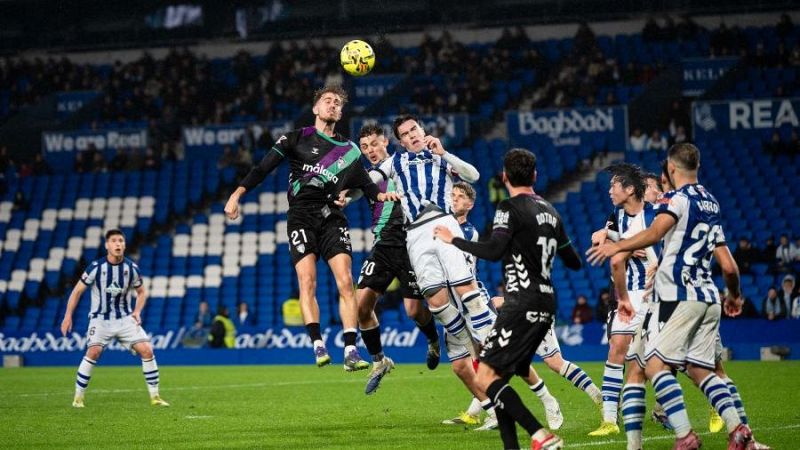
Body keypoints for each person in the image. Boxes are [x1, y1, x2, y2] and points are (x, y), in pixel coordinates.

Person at [587, 143, 756, 449]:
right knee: (698, 368)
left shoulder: (675, 202)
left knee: (650, 367)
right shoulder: (711, 203)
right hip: (708, 296)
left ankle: (684, 435)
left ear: (672, 169)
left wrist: (617, 246)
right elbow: (729, 265)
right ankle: (740, 431)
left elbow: (653, 234)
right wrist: (734, 295)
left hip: (673, 296)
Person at [224, 85, 400, 370]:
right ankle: (318, 344)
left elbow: (368, 188)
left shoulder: (351, 151)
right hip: (301, 216)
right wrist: (236, 195)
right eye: (327, 101)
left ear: (340, 113)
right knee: (308, 281)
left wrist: (383, 195)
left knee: (346, 281)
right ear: (316, 108)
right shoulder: (296, 138)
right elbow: (262, 168)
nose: (332, 105)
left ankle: (351, 351)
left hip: (332, 217)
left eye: (337, 103)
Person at [434, 148, 583, 449]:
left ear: (504, 177)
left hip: (521, 302)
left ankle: (541, 435)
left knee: (486, 377)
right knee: (499, 375)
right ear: (535, 176)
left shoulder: (508, 207)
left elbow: (493, 251)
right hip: (546, 303)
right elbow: (574, 262)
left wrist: (454, 240)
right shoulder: (551, 211)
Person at [375, 114, 494, 364]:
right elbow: (371, 180)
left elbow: (473, 175)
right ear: (402, 142)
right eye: (405, 135)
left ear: (422, 129)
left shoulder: (439, 155)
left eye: (414, 129)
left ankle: (489, 340)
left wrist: (445, 153)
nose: (412, 135)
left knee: (466, 289)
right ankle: (467, 342)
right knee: (436, 301)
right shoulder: (395, 161)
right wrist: (348, 193)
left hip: (444, 223)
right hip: (415, 233)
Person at [345, 124, 440, 394]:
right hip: (383, 244)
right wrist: (342, 196)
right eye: (364, 148)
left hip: (410, 242)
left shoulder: (404, 162)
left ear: (386, 141)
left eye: (374, 144)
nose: (370, 151)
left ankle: (433, 340)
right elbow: (354, 191)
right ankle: (379, 361)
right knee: (361, 307)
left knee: (414, 311)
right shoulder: (367, 177)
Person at [60, 229, 169, 408]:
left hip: (125, 319)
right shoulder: (96, 267)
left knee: (147, 350)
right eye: (113, 241)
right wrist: (67, 316)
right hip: (100, 319)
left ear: (124, 245)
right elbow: (77, 291)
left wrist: (137, 311)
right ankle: (78, 398)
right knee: (93, 352)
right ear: (107, 245)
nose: (118, 244)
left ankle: (155, 397)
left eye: (120, 241)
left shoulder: (131, 268)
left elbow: (141, 292)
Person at [588, 163, 659, 438]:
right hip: (628, 294)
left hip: (655, 295)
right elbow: (604, 245)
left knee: (665, 361)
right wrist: (614, 240)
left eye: (613, 186)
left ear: (630, 190)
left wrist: (655, 258)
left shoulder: (658, 217)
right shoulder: (617, 216)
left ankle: (714, 401)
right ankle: (609, 419)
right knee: (617, 348)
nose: (608, 191)